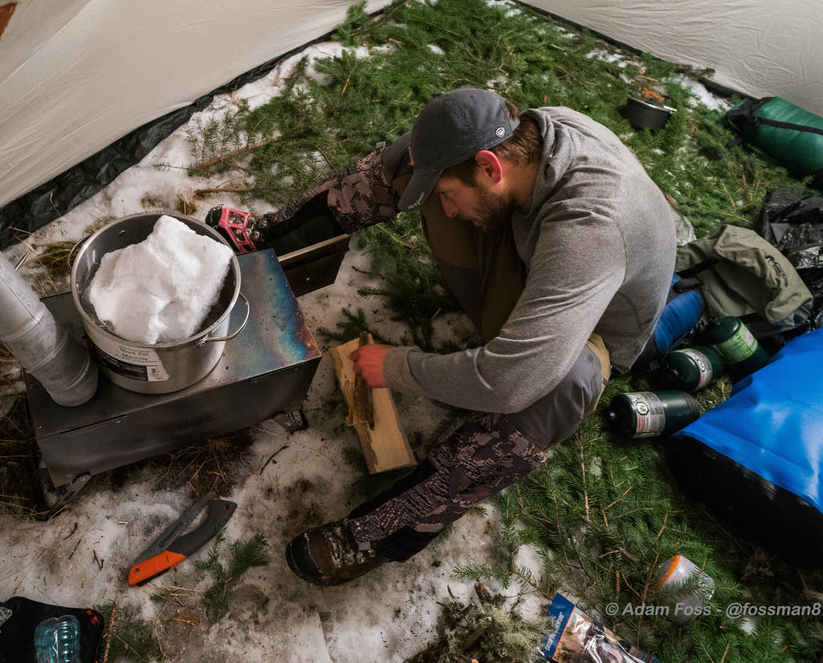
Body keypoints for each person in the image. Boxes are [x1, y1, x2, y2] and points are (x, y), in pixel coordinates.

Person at [208, 87, 678, 585]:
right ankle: (268, 236)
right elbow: (440, 164)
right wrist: (439, 178)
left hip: (586, 327)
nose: (445, 213)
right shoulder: (539, 133)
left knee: (559, 385)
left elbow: (510, 380)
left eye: (451, 200)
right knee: (424, 150)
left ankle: (380, 533)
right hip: (530, 262)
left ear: (491, 167)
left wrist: (395, 367)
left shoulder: (591, 229)